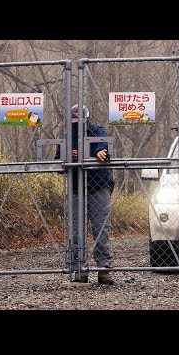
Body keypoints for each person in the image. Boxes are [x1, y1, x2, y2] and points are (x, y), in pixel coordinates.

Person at [55, 104, 115, 285]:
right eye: (74, 122)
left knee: (101, 227)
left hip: (98, 185)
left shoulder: (98, 131)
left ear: (87, 119)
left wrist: (99, 152)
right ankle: (79, 269)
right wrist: (68, 157)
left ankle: (104, 268)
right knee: (76, 230)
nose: (77, 125)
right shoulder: (66, 137)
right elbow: (58, 161)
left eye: (80, 121)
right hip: (76, 188)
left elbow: (104, 147)